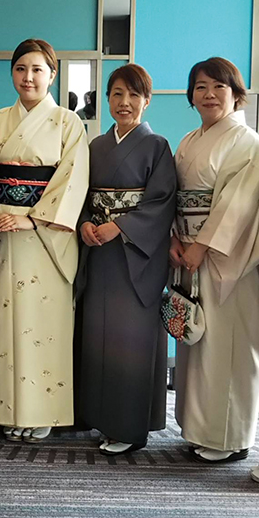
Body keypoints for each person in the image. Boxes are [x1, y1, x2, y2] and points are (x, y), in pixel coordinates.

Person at [0, 38, 89, 443]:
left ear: (52, 75)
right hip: (3, 230)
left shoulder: (68, 123)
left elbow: (73, 179)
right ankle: (6, 409)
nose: (28, 77)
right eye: (21, 69)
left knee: (43, 321)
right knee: (4, 319)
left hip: (45, 236)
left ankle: (43, 410)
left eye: (37, 69)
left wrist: (32, 219)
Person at [78, 64, 176, 455]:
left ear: (146, 101)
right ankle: (101, 419)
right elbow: (81, 196)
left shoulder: (157, 146)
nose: (125, 102)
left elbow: (161, 202)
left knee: (129, 340)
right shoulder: (95, 147)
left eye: (134, 95)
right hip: (99, 255)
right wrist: (86, 223)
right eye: (117, 93)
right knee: (98, 337)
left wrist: (118, 227)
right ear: (106, 99)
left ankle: (129, 428)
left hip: (135, 257)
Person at [170, 57, 259, 464]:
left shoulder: (247, 141)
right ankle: (198, 427)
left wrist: (201, 246)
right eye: (200, 87)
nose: (208, 95)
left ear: (236, 94)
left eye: (218, 87)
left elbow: (237, 206)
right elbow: (175, 196)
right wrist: (175, 236)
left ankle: (228, 437)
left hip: (225, 257)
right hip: (188, 251)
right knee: (197, 341)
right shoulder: (189, 140)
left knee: (228, 345)